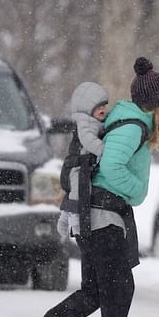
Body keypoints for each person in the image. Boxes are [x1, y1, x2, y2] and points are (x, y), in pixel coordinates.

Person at [6, 57, 159, 317]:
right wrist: (137, 191)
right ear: (158, 104)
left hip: (93, 216)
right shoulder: (132, 126)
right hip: (102, 217)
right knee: (120, 287)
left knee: (95, 293)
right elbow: (111, 168)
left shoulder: (124, 119)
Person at [56, 82, 110, 239]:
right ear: (87, 107)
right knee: (77, 192)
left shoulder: (94, 121)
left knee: (73, 192)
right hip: (76, 166)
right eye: (99, 106)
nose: (103, 110)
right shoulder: (84, 122)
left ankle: (64, 218)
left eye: (104, 106)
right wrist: (104, 150)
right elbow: (87, 140)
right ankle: (75, 224)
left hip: (83, 164)